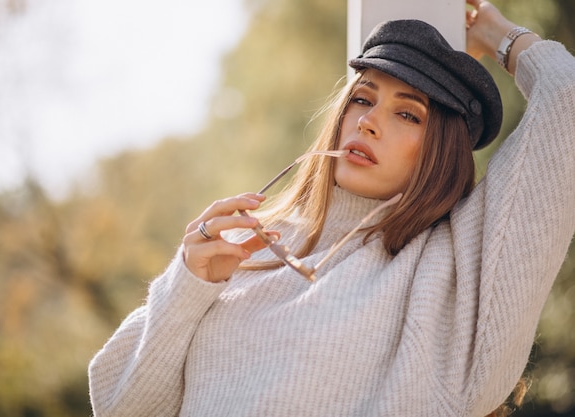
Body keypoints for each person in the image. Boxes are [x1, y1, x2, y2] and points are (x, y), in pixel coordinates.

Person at [88, 0, 575, 415]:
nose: (369, 122)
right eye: (363, 99)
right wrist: (185, 286)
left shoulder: (451, 274)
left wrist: (495, 32)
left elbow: (567, 99)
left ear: (443, 150)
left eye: (407, 113)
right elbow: (119, 407)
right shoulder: (239, 251)